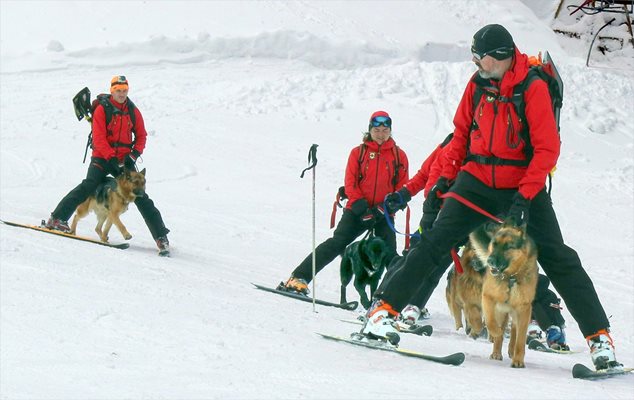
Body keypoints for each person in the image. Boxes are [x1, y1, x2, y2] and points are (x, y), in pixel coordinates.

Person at [362, 24, 619, 370]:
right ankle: (383, 313)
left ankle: (599, 339)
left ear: (500, 56)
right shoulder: (477, 85)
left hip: (521, 183)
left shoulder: (533, 86)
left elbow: (546, 150)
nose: (475, 63)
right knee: (434, 241)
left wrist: (525, 199)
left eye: (479, 57)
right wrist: (445, 181)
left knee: (557, 257)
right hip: (477, 180)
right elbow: (461, 136)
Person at [384, 135, 570, 351]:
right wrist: (403, 194)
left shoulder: (489, 143)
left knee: (515, 267)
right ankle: (402, 306)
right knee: (427, 256)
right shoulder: (450, 144)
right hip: (450, 214)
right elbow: (424, 174)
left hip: (486, 215)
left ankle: (551, 324)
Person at [280, 111, 409, 295]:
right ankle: (298, 278)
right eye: (377, 130)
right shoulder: (358, 153)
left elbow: (402, 187)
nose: (381, 134)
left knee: (389, 255)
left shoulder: (399, 155)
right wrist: (362, 208)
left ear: (390, 131)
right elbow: (350, 183)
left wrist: (385, 208)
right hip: (357, 212)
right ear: (370, 130)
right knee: (336, 243)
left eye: (385, 130)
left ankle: (402, 298)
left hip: (383, 214)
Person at [45, 75, 171, 256]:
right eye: (118, 90)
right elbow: (99, 138)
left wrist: (133, 155)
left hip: (124, 161)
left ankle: (161, 237)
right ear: (112, 91)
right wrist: (111, 158)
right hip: (102, 159)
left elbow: (142, 135)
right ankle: (57, 219)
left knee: (141, 195)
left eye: (124, 90)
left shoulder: (133, 111)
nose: (122, 94)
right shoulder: (102, 110)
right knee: (89, 186)